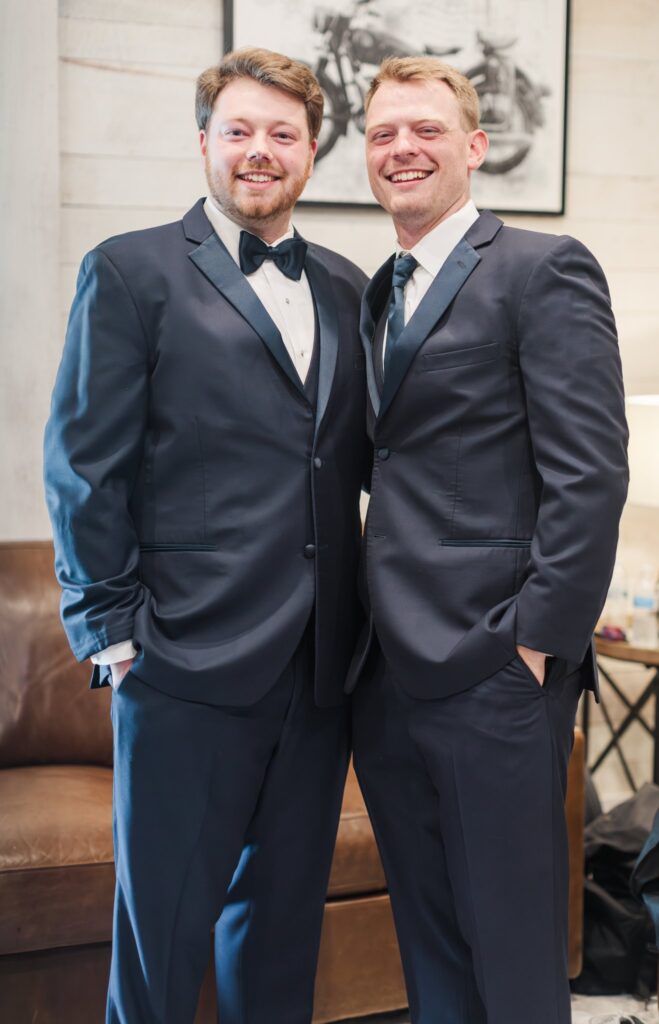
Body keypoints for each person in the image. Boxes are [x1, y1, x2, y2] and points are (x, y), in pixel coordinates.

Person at [44, 47, 368, 1024]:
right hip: (181, 665)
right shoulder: (130, 271)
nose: (259, 150)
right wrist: (112, 632)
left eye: (282, 133)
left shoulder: (352, 288)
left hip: (316, 677)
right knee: (160, 949)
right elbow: (83, 463)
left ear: (311, 152)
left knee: (279, 947)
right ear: (203, 143)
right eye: (238, 130)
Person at [347, 56, 628, 1024]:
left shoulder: (540, 267)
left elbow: (588, 472)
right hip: (382, 673)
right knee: (425, 939)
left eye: (424, 129)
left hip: (493, 673)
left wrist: (534, 643)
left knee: (509, 945)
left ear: (473, 147)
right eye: (382, 133)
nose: (401, 148)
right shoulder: (379, 291)